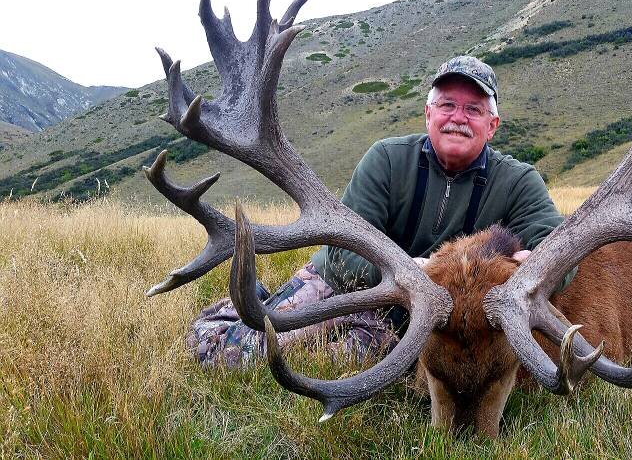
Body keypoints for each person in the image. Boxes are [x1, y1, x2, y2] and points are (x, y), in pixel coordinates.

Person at [188, 56, 570, 368]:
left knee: (333, 368)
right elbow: (344, 254)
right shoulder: (386, 158)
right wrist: (413, 272)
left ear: (493, 125)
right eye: (447, 105)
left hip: (411, 321)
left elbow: (562, 255)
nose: (458, 117)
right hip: (341, 287)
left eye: (473, 109)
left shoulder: (519, 181)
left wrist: (529, 267)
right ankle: (229, 314)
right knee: (229, 356)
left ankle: (288, 312)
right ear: (428, 114)